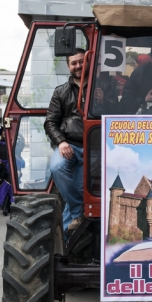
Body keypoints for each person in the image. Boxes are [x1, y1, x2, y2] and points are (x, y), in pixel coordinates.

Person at [45, 48, 90, 235]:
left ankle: (64, 239)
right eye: (74, 63)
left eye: (81, 61)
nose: (78, 66)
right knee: (56, 168)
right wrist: (61, 142)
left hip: (93, 147)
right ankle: (78, 212)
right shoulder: (61, 92)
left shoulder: (102, 88)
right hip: (69, 144)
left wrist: (106, 98)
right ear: (68, 66)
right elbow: (50, 122)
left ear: (87, 62)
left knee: (81, 188)